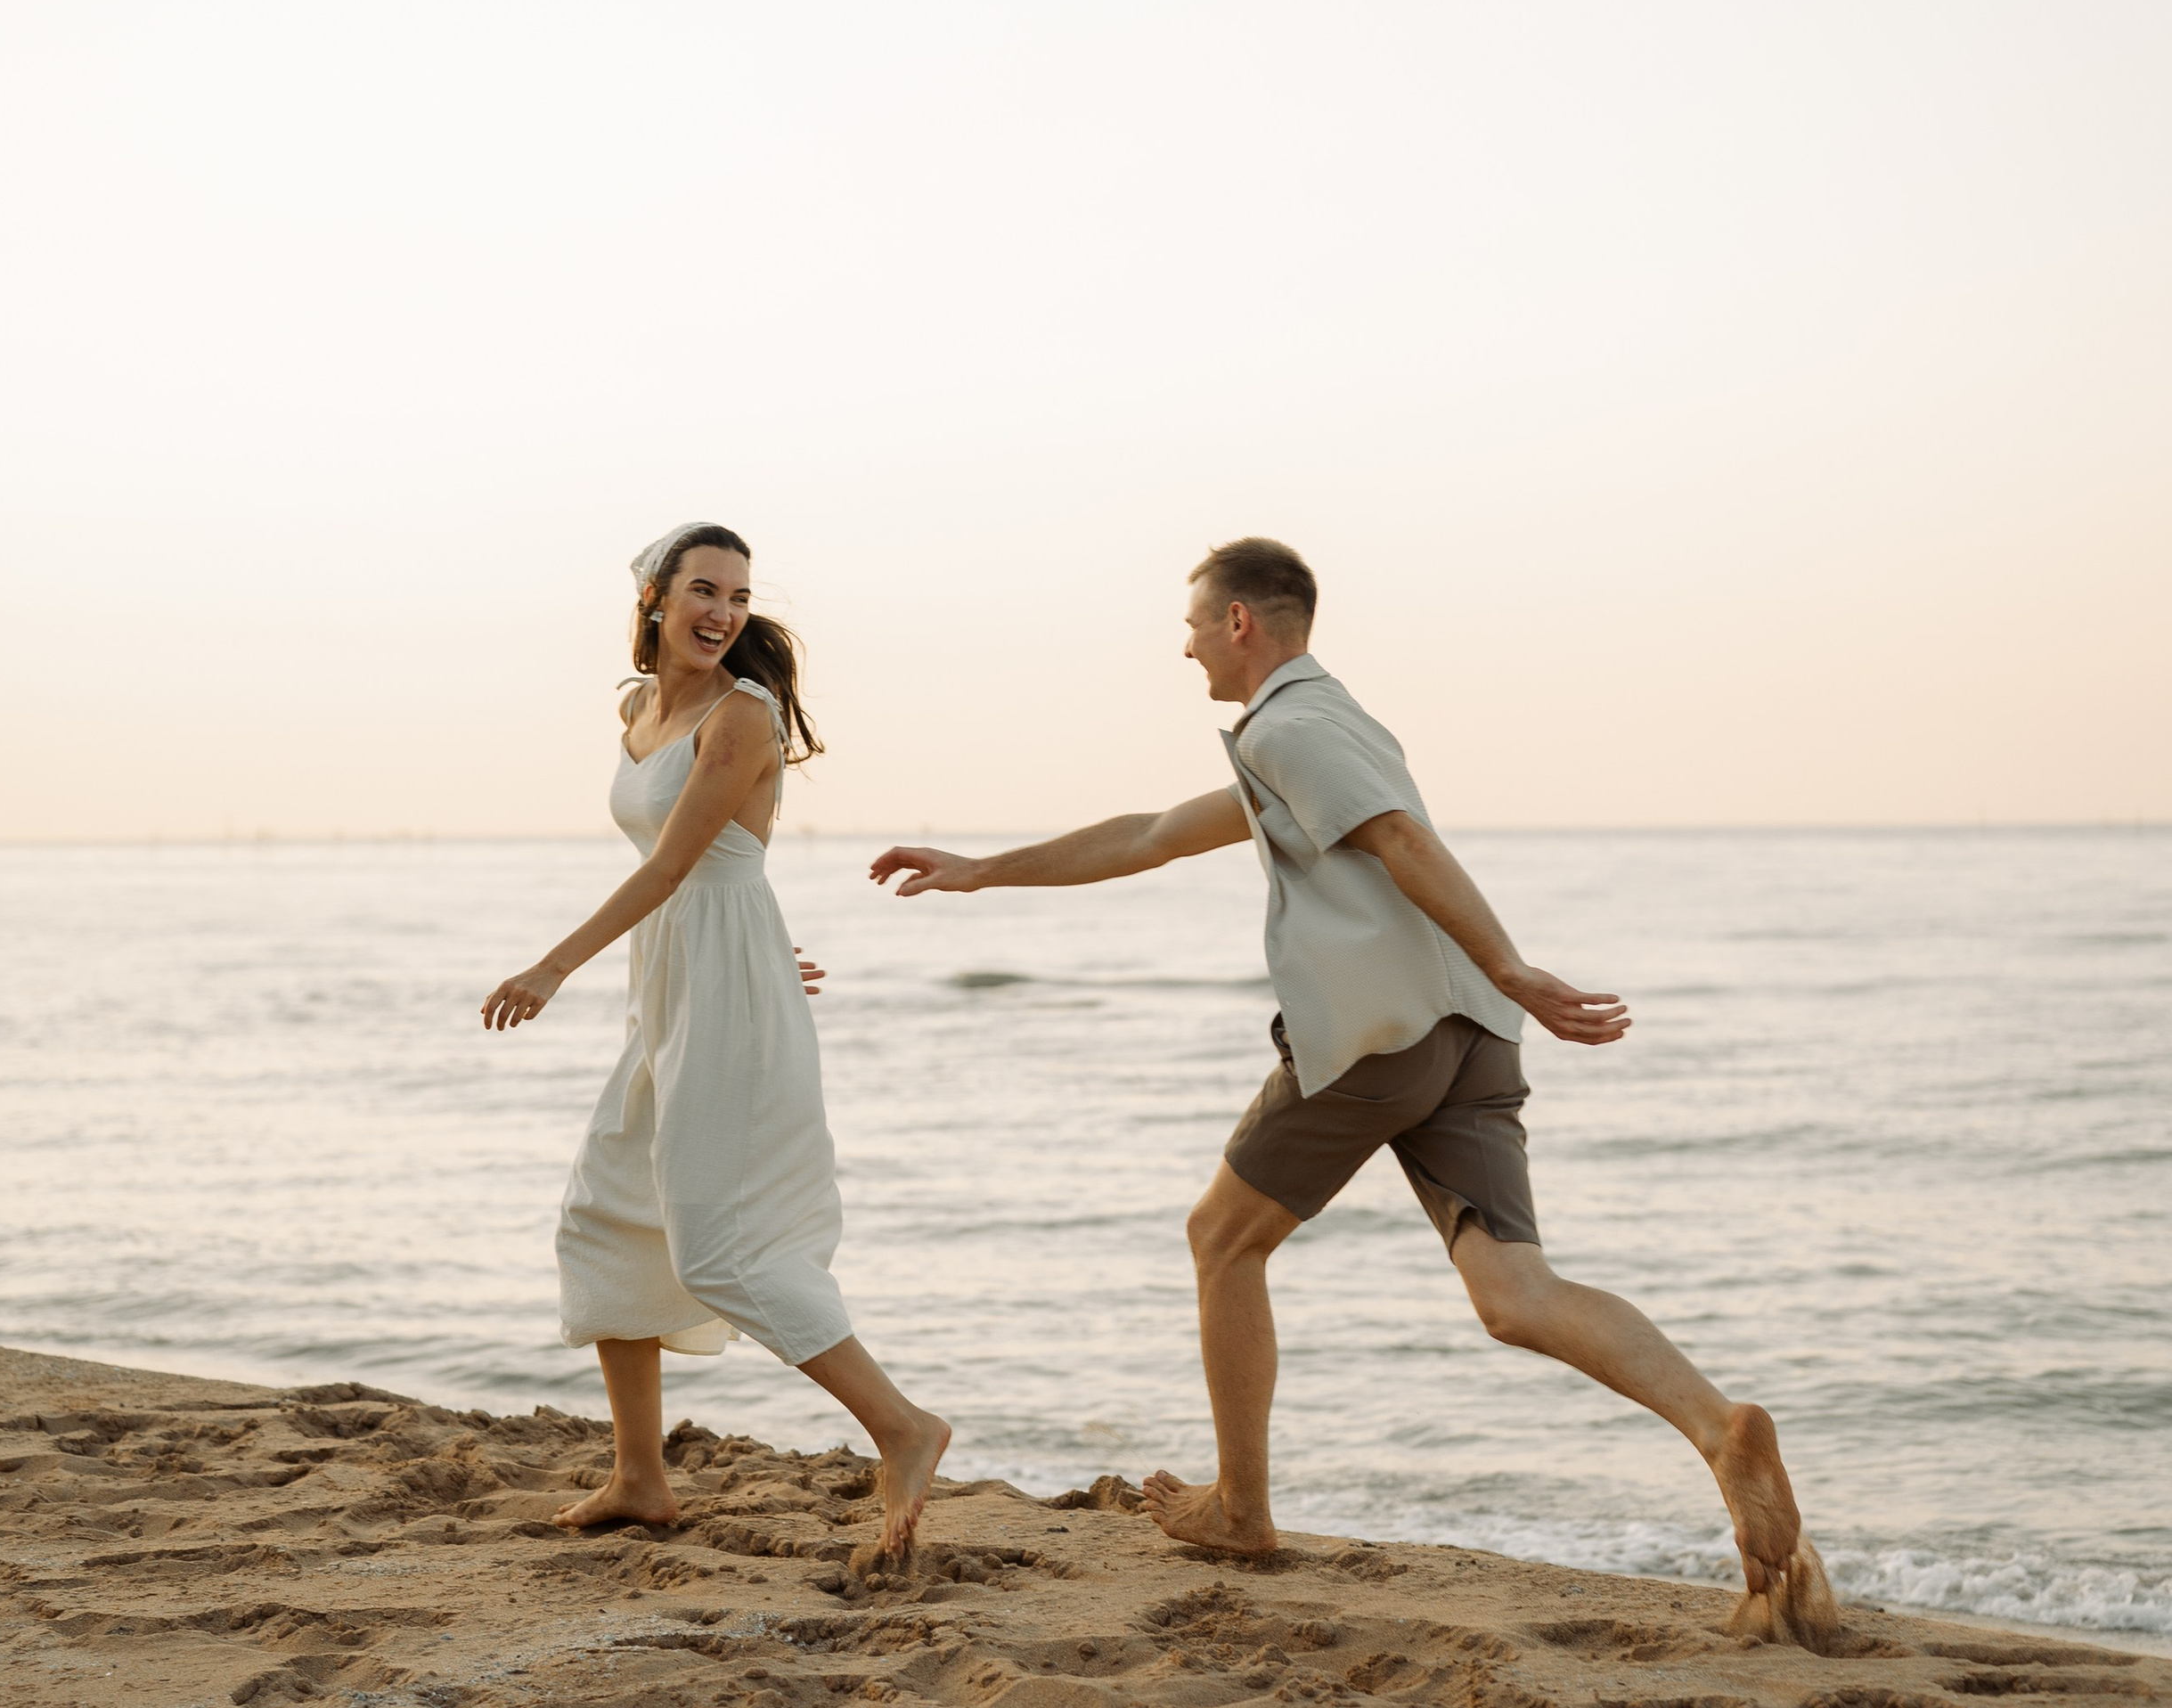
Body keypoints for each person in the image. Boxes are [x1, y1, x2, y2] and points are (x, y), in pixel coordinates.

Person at [870, 535, 1834, 1648]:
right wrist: (982, 867)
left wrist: (1518, 960)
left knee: (1220, 1237)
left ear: (1240, 622)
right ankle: (1720, 1428)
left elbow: (1397, 838)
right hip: (1467, 1030)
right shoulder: (1323, 724)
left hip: (1386, 1033)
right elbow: (1150, 835)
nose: (1182, 645)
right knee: (1515, 1293)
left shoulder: (1293, 727)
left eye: (1192, 623)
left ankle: (1240, 1510)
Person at [484, 523, 949, 1555]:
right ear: (654, 596)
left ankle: (903, 1427)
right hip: (679, 976)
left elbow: (679, 866)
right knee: (606, 1212)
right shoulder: (638, 707)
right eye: (703, 590)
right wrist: (743, 940)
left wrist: (553, 964)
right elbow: (700, 871)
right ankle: (640, 1477)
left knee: (715, 1243)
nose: (722, 613)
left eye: (737, 596)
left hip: (722, 985)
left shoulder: (743, 715)